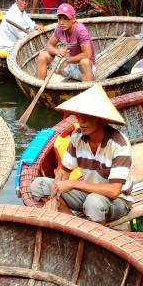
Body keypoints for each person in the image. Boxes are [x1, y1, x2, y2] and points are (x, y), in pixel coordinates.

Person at [30, 84, 132, 224]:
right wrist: (55, 195)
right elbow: (64, 171)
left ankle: (92, 235)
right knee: (39, 185)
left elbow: (114, 191)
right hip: (87, 193)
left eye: (87, 116)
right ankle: (72, 221)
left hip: (116, 201)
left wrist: (73, 184)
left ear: (101, 119)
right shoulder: (77, 137)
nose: (81, 121)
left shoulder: (119, 145)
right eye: (79, 115)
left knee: (93, 203)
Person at [35, 3, 96, 82]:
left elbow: (87, 55)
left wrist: (67, 60)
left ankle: (86, 92)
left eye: (65, 18)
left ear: (73, 19)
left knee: (85, 62)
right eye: (59, 18)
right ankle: (39, 86)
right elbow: (48, 45)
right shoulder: (59, 29)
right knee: (43, 55)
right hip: (69, 67)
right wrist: (57, 52)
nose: (61, 22)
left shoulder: (80, 30)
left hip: (84, 70)